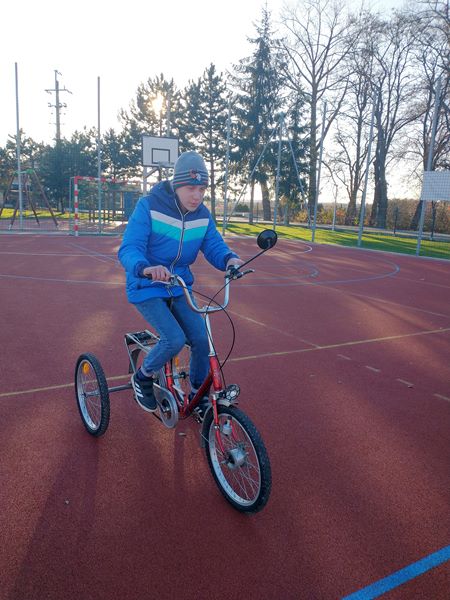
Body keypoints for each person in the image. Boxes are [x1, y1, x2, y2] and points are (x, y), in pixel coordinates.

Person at [118, 151, 243, 415]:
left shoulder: (202, 215)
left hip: (178, 286)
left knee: (201, 339)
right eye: (190, 188)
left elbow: (213, 244)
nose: (197, 195)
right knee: (174, 339)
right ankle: (143, 376)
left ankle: (198, 396)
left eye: (202, 189)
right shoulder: (149, 206)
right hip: (147, 285)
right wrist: (145, 268)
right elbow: (129, 248)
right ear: (176, 185)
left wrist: (229, 259)